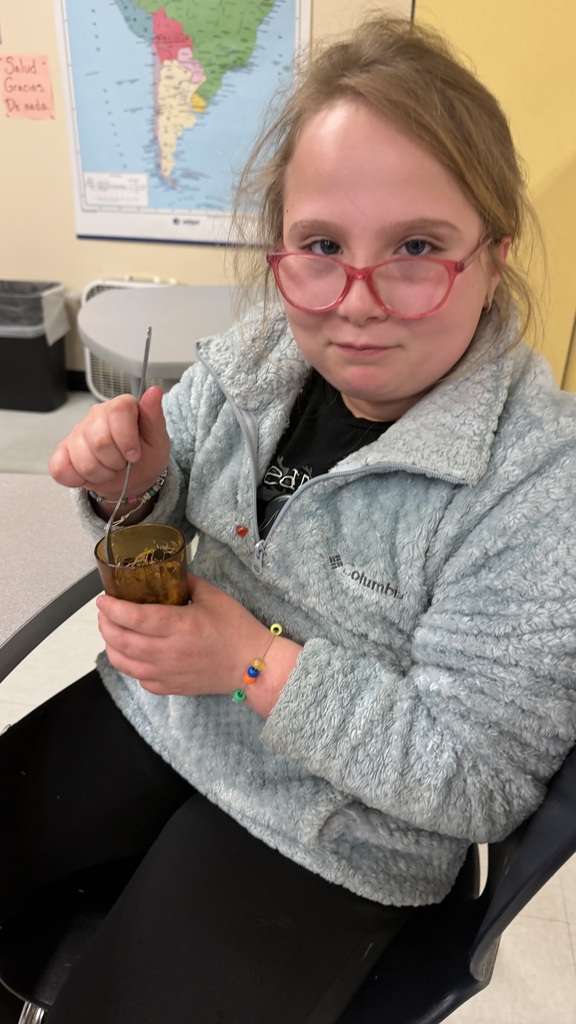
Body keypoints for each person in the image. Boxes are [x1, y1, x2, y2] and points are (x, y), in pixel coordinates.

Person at [2, 13, 576, 1024]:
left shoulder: (539, 484)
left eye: (416, 247)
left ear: (493, 255)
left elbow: (479, 779)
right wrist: (132, 479)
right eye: (320, 245)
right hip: (170, 712)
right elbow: (158, 509)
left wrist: (251, 660)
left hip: (342, 826)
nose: (355, 301)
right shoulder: (263, 351)